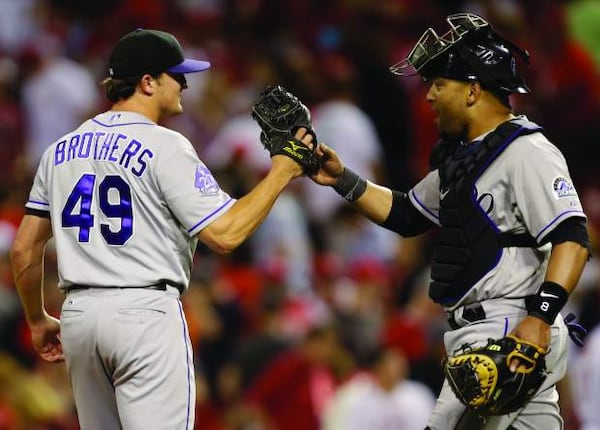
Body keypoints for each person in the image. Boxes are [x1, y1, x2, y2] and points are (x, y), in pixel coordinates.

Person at [9, 28, 310, 429]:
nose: (185, 82)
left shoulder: (60, 150)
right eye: (176, 74)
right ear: (147, 82)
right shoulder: (166, 145)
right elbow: (225, 234)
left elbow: (24, 250)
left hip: (79, 316)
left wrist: (37, 319)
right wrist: (282, 170)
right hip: (143, 314)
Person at [307, 13, 590, 430]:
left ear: (473, 90)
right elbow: (407, 214)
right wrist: (343, 180)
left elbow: (573, 237)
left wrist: (541, 317)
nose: (430, 97)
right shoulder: (464, 160)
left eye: (440, 84)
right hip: (480, 332)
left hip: (508, 331)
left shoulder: (528, 150)